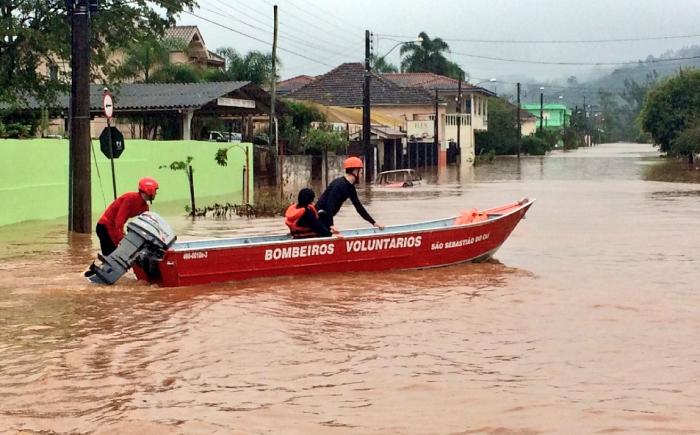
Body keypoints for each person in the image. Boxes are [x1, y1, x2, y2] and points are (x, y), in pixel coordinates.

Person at [84, 177, 159, 277]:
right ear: (149, 190)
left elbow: (145, 225)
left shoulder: (144, 207)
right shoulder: (130, 198)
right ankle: (96, 276)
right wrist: (122, 240)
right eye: (155, 191)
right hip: (105, 227)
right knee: (113, 259)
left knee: (115, 259)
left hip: (114, 230)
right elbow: (119, 220)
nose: (156, 194)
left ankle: (95, 275)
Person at [316, 157, 384, 233]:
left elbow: (359, 207)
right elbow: (329, 204)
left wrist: (374, 223)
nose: (361, 176)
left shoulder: (350, 188)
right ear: (355, 171)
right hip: (318, 217)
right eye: (361, 173)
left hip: (325, 218)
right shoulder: (339, 185)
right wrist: (331, 225)